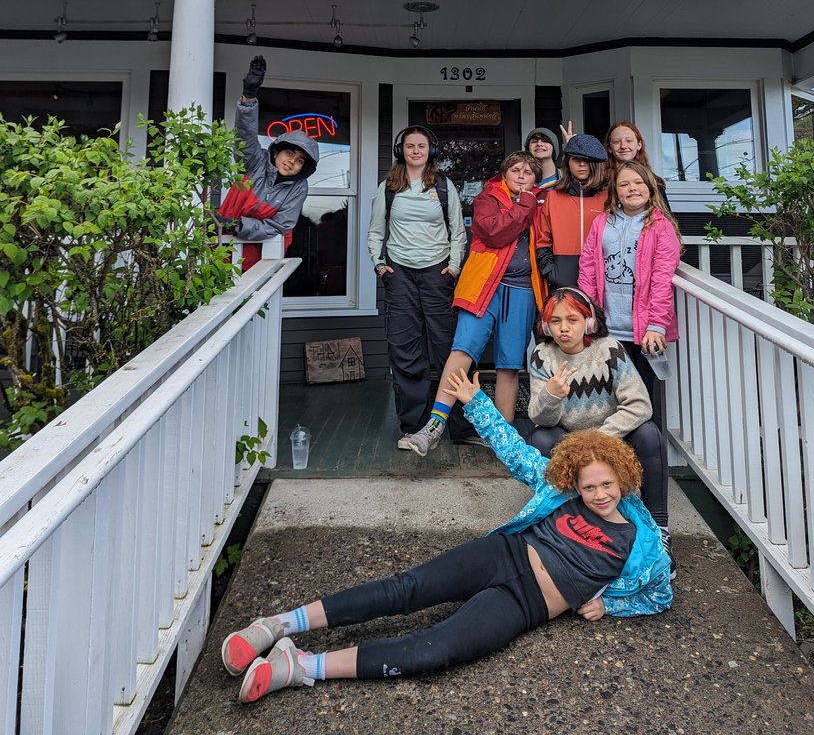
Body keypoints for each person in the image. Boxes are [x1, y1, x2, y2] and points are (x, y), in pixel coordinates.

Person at [221, 366, 672, 704]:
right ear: (575, 480)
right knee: (407, 589)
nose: (597, 495)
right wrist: (476, 402)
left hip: (525, 605)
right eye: (588, 486)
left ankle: (298, 666)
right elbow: (515, 451)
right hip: (505, 554)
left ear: (625, 478)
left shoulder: (640, 538)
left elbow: (660, 593)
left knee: (437, 650)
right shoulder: (560, 486)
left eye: (606, 485)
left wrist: (609, 604)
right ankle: (278, 625)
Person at [401, 150, 546, 454]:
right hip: (483, 287)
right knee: (462, 351)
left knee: (509, 364)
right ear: (504, 174)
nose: (521, 176)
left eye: (528, 172)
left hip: (522, 291)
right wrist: (525, 204)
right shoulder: (487, 199)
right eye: (515, 170)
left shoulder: (542, 203)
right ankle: (434, 425)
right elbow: (494, 233)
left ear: (536, 178)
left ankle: (501, 437)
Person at [528, 286, 674, 574]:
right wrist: (551, 394)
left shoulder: (609, 350)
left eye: (572, 319)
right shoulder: (542, 356)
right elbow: (539, 417)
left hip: (612, 437)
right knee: (540, 438)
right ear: (546, 325)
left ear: (589, 322)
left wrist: (600, 439)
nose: (563, 329)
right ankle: (560, 521)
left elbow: (640, 405)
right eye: (555, 321)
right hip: (568, 441)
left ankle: (659, 528)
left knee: (648, 434)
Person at [367, 125, 469, 449]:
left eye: (421, 146)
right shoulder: (388, 188)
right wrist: (381, 267)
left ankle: (459, 426)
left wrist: (452, 268)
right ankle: (413, 427)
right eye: (410, 146)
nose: (415, 151)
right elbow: (375, 232)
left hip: (436, 274)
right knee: (406, 350)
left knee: (447, 348)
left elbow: (458, 232)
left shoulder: (443, 186)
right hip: (400, 274)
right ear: (401, 151)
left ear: (430, 151)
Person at [577, 160, 682, 403]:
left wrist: (656, 325)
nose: (632, 188)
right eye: (624, 184)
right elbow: (588, 268)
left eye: (638, 182)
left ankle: (641, 442)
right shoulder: (602, 223)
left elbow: (662, 280)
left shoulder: (660, 226)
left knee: (640, 400)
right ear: (616, 192)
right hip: (608, 330)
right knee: (607, 398)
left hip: (644, 332)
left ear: (650, 188)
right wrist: (589, 315)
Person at [215, 56, 319, 271]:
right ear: (275, 153)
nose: (292, 161)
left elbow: (280, 225)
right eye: (289, 153)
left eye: (300, 161)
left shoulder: (298, 187)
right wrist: (249, 97)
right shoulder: (255, 162)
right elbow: (245, 135)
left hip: (261, 257)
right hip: (219, 246)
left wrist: (240, 225)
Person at [535, 133, 608, 290]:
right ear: (568, 162)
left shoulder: (608, 197)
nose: (581, 164)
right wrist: (551, 272)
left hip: (602, 277)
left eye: (587, 160)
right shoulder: (553, 196)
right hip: (562, 279)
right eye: (576, 159)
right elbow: (543, 239)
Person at [604, 121, 670, 207]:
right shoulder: (600, 182)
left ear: (639, 145)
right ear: (609, 148)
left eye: (629, 141)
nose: (623, 146)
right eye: (616, 142)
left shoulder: (654, 182)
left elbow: (665, 217)